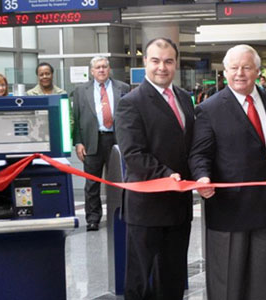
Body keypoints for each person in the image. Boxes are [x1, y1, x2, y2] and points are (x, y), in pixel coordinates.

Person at [189, 44, 266, 300]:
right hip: (229, 211)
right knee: (226, 287)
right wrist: (202, 177)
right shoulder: (210, 109)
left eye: (246, 67)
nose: (240, 73)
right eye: (234, 68)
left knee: (262, 284)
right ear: (225, 72)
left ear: (258, 71)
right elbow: (199, 153)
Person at [114, 38, 194, 300]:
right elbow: (133, 154)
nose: (162, 67)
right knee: (139, 280)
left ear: (176, 64)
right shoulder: (131, 102)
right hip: (146, 208)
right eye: (156, 60)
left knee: (172, 279)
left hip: (179, 207)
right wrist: (167, 176)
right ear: (145, 62)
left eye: (169, 61)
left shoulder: (184, 98)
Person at [72, 56, 130, 231]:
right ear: (91, 71)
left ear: (109, 69)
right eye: (98, 67)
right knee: (92, 183)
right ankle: (93, 218)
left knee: (121, 180)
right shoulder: (81, 90)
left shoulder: (123, 88)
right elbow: (76, 118)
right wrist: (78, 143)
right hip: (92, 140)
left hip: (117, 140)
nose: (101, 70)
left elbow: (129, 115)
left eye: (104, 66)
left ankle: (123, 214)